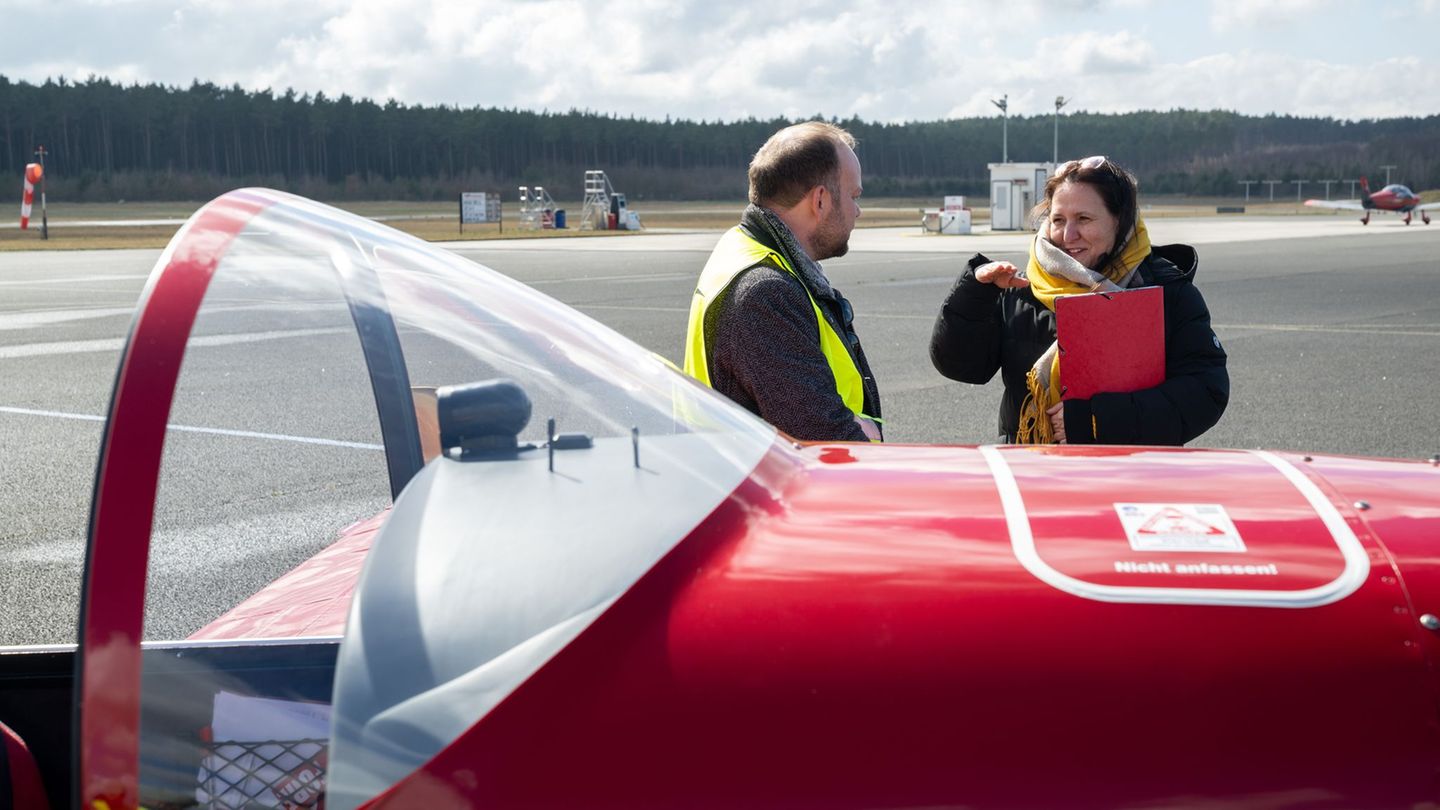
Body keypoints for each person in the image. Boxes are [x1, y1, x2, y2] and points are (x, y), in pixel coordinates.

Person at [929, 155, 1227, 445]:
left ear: (1120, 221)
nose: (1068, 235)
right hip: (1034, 472)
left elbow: (1204, 392)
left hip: (1131, 473)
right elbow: (963, 367)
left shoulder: (1166, 290)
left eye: (1084, 219)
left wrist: (1096, 421)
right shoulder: (1024, 286)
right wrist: (975, 294)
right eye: (1058, 220)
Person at [683, 121, 882, 442]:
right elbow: (826, 439)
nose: (857, 210)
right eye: (853, 195)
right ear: (820, 200)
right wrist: (866, 437)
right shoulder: (765, 293)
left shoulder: (744, 249)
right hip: (772, 484)